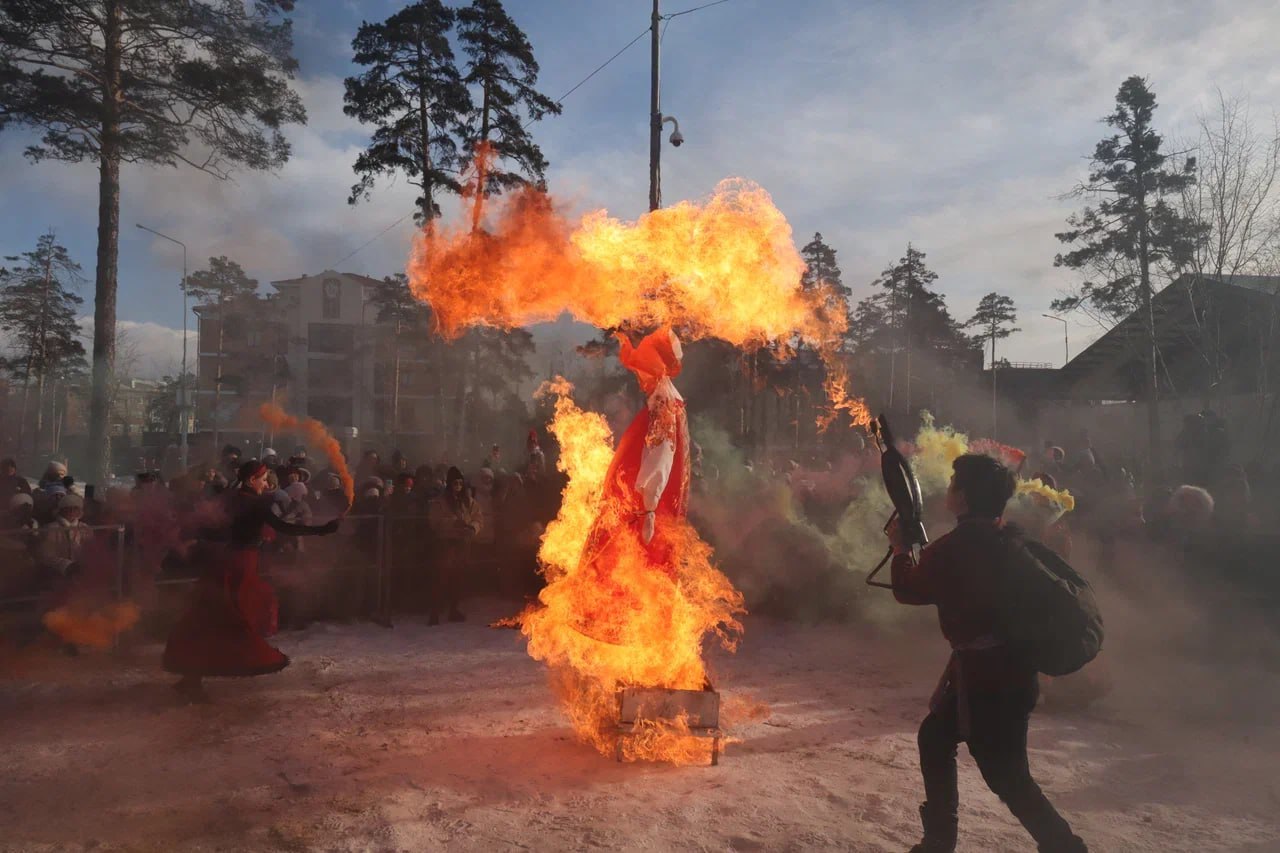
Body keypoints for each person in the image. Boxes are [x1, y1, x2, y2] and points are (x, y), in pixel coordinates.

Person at [888, 453, 1087, 853]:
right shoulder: (1008, 537)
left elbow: (909, 591)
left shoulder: (958, 546)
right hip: (999, 673)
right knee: (935, 738)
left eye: (953, 484)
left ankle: (1066, 847)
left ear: (963, 498)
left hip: (989, 680)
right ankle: (938, 841)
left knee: (1008, 778)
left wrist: (898, 549)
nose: (948, 490)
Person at [162, 459, 341, 702]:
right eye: (263, 479)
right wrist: (321, 530)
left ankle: (192, 677)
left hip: (227, 561)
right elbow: (283, 527)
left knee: (209, 617)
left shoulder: (230, 499)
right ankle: (202, 675)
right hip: (239, 565)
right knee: (233, 617)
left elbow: (211, 525)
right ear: (251, 480)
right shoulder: (254, 503)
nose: (267, 483)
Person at [428, 467, 481, 625]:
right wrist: (453, 522)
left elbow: (478, 518)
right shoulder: (440, 502)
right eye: (455, 483)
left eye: (460, 483)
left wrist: (472, 527)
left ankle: (454, 609)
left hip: (463, 544)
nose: (458, 486)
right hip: (446, 543)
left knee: (458, 578)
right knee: (441, 578)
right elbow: (434, 521)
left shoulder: (468, 501)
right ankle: (435, 611)